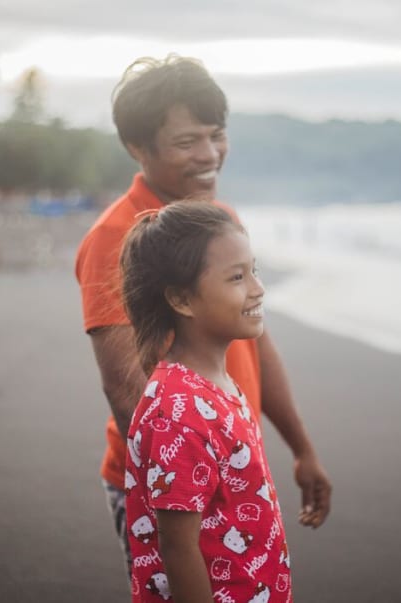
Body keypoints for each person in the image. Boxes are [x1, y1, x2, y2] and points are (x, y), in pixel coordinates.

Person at [74, 55, 330, 573]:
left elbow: (256, 343)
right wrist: (202, 499)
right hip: (178, 490)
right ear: (137, 148)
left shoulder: (216, 221)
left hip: (232, 472)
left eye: (217, 135)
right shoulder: (113, 238)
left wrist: (300, 447)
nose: (210, 154)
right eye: (187, 141)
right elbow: (127, 389)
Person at [120, 201, 292, 601]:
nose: (258, 288)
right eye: (237, 277)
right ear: (181, 300)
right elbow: (178, 549)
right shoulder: (177, 412)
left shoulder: (214, 381)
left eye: (255, 270)